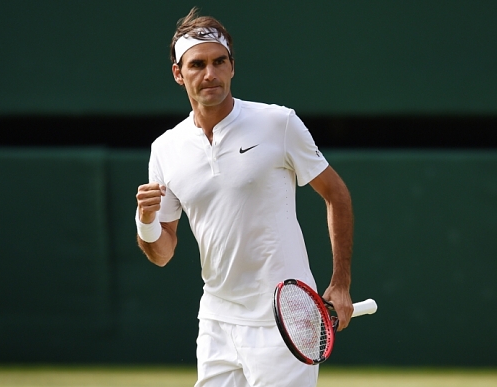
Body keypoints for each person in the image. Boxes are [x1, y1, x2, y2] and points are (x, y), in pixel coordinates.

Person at [135, 7, 354, 387]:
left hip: (286, 321)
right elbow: (162, 252)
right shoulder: (165, 149)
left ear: (232, 67)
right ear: (178, 74)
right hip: (217, 323)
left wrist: (340, 282)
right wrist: (146, 222)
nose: (210, 74)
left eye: (219, 62)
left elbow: (336, 194)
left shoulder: (278, 123)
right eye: (197, 64)